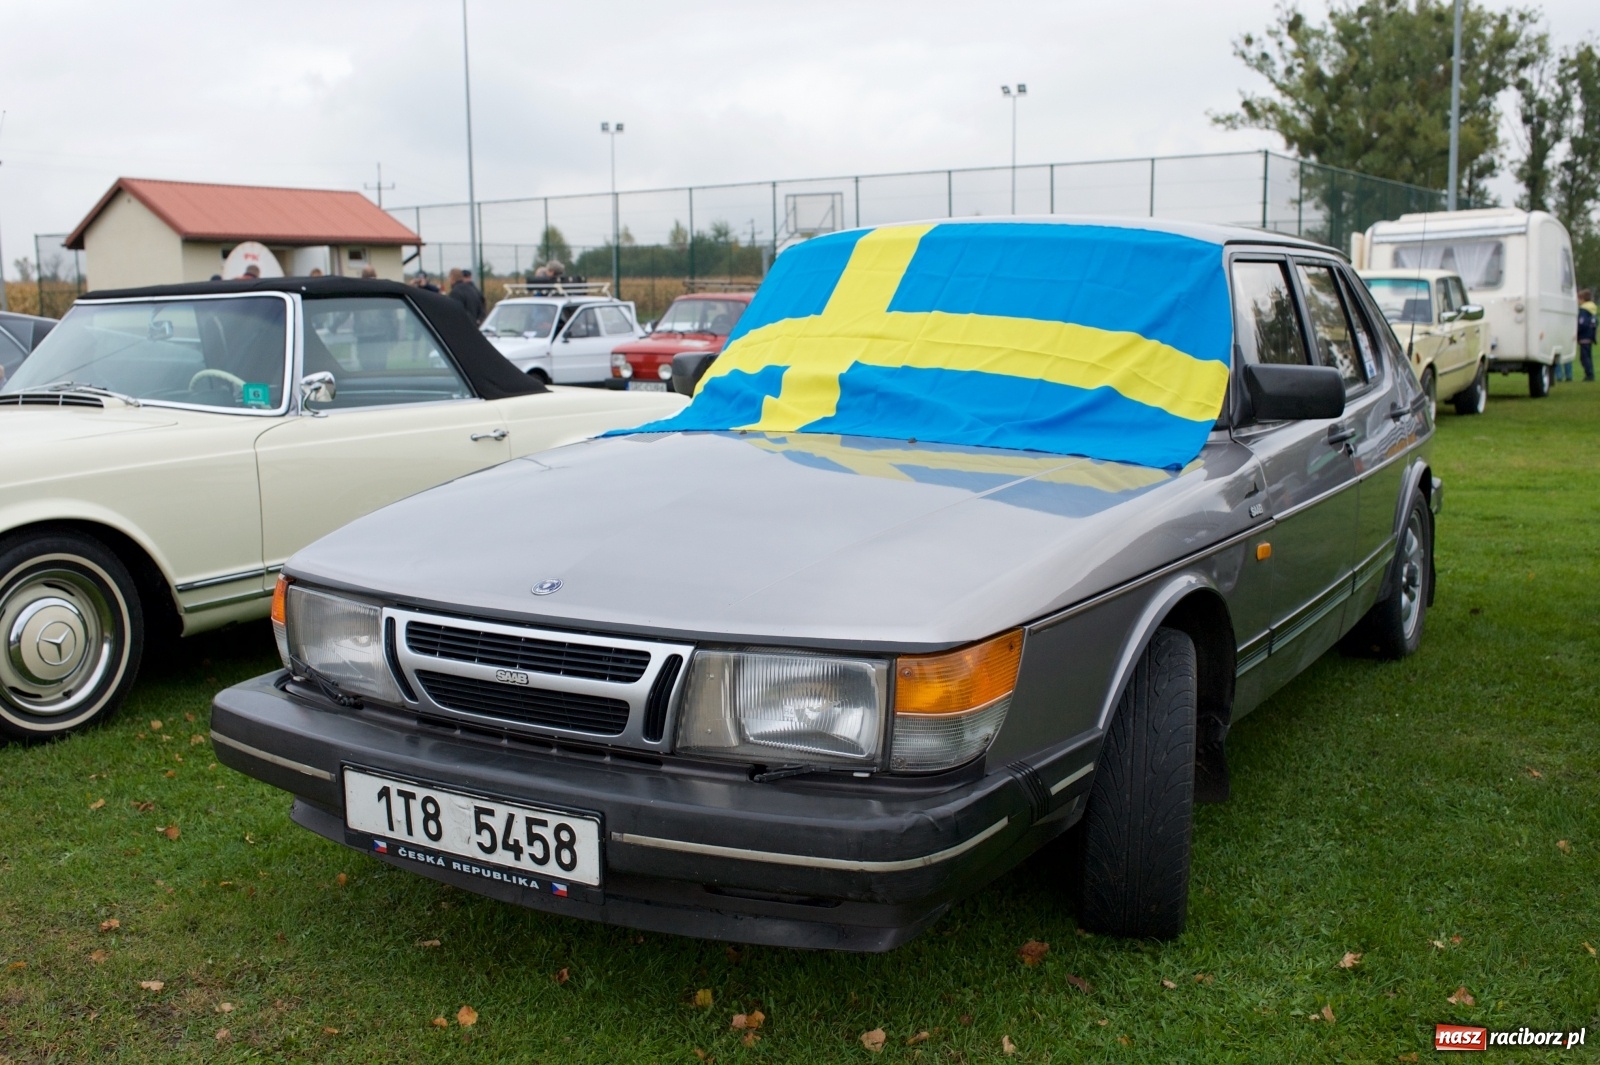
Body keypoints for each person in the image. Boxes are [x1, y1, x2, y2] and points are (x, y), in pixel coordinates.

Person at [1579, 288, 1597, 383]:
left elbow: (1582, 323)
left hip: (1584, 336)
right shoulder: (1593, 309)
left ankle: (1589, 375)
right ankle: (1591, 374)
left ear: (1582, 299)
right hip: (1590, 336)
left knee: (1584, 357)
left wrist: (1578, 332)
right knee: (1588, 356)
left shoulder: (1583, 310)